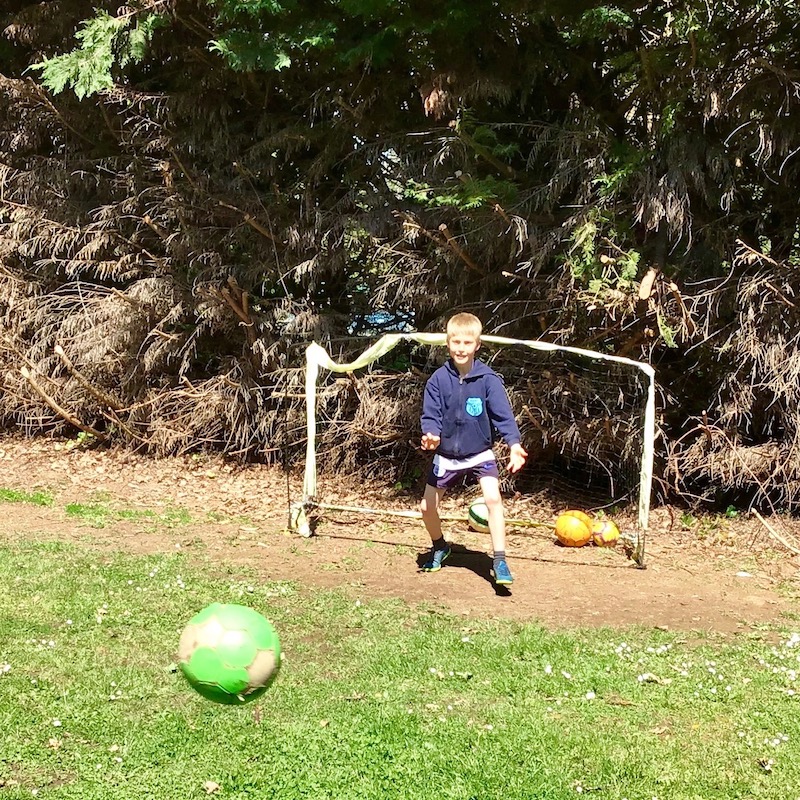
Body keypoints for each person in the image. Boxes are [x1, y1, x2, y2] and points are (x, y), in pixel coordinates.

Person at [419, 312, 528, 585]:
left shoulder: (488, 379)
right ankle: (440, 546)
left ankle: (500, 560)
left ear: (477, 345)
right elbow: (430, 416)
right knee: (426, 508)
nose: (461, 348)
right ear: (448, 343)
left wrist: (514, 445)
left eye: (467, 343)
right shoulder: (438, 380)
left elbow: (503, 416)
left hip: (479, 453)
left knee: (493, 500)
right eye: (456, 342)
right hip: (446, 456)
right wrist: (431, 436)